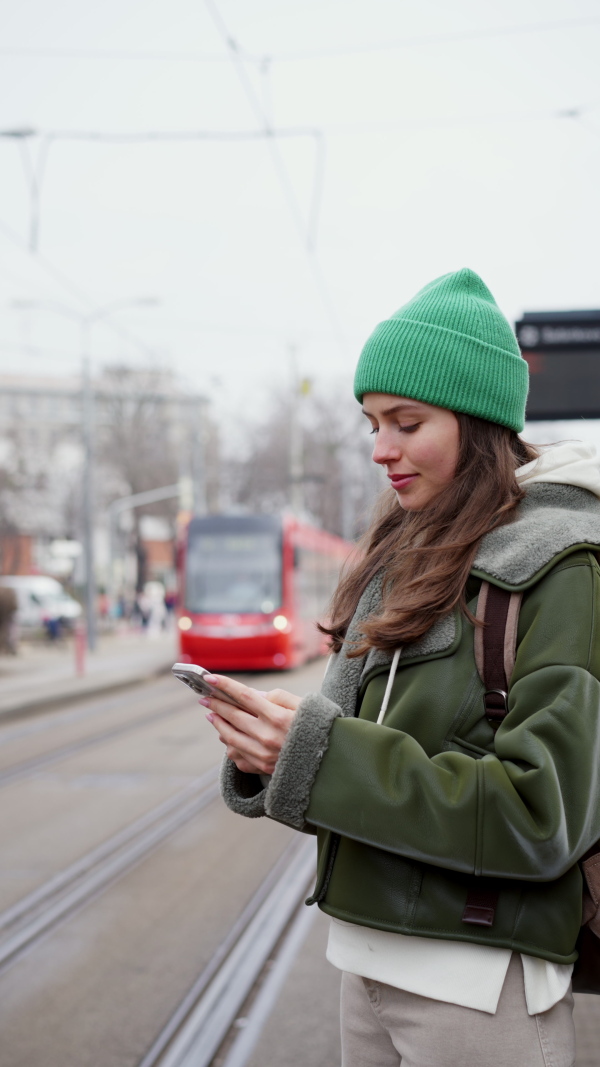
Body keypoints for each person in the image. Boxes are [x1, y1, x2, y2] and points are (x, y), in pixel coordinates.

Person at [203, 268, 600, 1066]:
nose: (380, 449)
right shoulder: (406, 554)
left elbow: (539, 813)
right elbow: (361, 747)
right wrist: (278, 747)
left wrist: (320, 753)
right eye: (372, 423)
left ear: (479, 418)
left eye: (406, 422)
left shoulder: (563, 566)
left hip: (480, 983)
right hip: (365, 961)